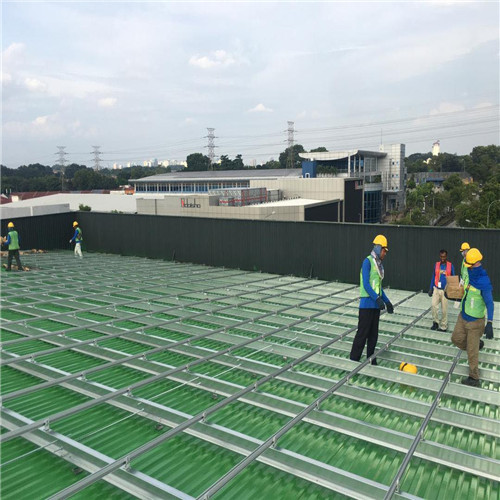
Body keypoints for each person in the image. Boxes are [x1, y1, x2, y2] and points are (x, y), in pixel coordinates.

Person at [451, 248, 494, 387]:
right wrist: (451, 294)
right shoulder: (470, 273)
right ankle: (475, 345)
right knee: (456, 339)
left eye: (469, 266)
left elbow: (490, 303)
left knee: (472, 352)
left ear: (476, 263)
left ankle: (474, 378)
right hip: (463, 316)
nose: (468, 268)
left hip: (475, 322)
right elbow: (463, 289)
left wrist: (490, 323)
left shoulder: (484, 282)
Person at [350, 234, 394, 366]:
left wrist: (387, 301)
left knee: (373, 335)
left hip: (375, 306)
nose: (385, 253)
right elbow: (366, 284)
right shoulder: (367, 262)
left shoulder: (379, 265)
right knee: (362, 334)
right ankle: (353, 360)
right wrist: (377, 299)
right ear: (378, 248)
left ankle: (371, 358)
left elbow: (378, 287)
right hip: (367, 305)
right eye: (384, 250)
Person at [428, 249, 455, 332]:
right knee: (433, 306)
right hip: (436, 289)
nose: (442, 258)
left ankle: (443, 326)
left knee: (444, 309)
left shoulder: (450, 266)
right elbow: (433, 276)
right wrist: (430, 288)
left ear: (446, 256)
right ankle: (435, 322)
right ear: (439, 256)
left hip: (445, 290)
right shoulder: (436, 265)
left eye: (444, 256)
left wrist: (453, 291)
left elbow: (453, 278)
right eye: (441, 256)